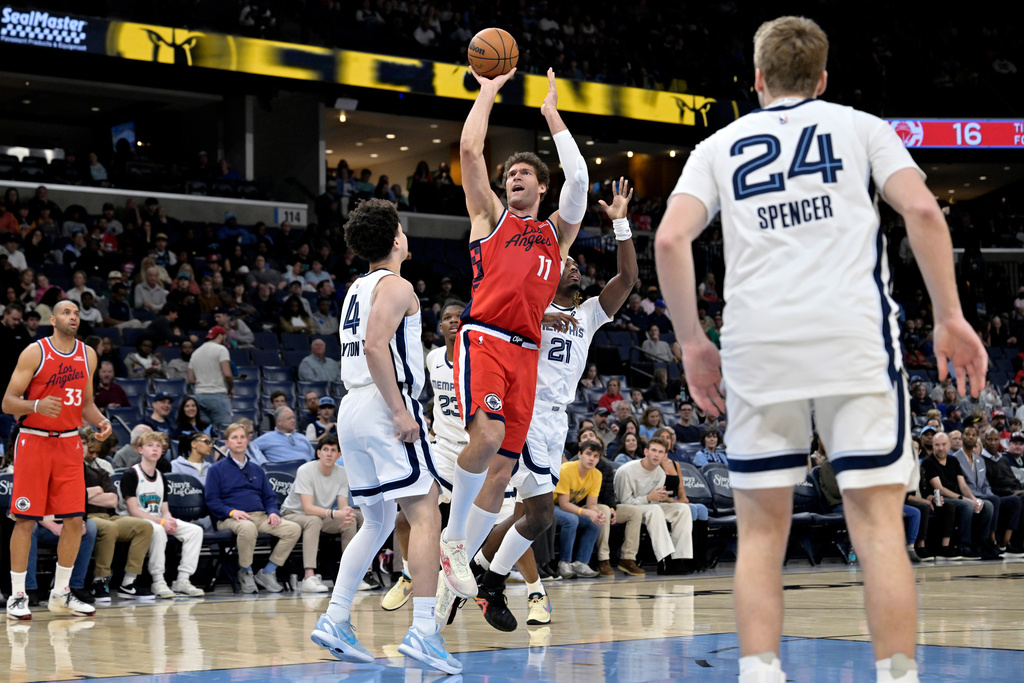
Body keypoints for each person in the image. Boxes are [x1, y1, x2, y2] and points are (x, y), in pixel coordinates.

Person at [655, 16, 987, 683]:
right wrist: (948, 314)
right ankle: (897, 674)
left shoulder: (720, 145)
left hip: (759, 346)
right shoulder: (862, 126)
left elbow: (668, 239)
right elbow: (923, 212)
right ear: (823, 77)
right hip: (853, 340)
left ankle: (760, 671)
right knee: (879, 529)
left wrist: (692, 340)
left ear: (756, 79)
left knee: (760, 535)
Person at [439, 65, 587, 609]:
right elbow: (470, 151)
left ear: (542, 186)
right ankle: (454, 543)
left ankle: (464, 568)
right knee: (484, 439)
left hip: (528, 353)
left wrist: (552, 117)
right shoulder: (490, 218)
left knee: (502, 468)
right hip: (485, 338)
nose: (515, 178)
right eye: (512, 174)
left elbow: (582, 183)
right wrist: (488, 91)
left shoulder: (557, 235)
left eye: (526, 173)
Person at [313, 199, 459, 674]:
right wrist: (400, 410)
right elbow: (377, 346)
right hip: (382, 402)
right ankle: (423, 630)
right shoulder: (397, 286)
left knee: (374, 521)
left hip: (352, 407)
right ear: (396, 239)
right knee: (425, 510)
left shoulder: (356, 288)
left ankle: (336, 616)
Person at [3, 300, 111, 619]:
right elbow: (8, 402)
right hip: (34, 441)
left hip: (68, 443)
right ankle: (18, 595)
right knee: (25, 520)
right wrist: (35, 406)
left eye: (76, 313)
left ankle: (61, 593)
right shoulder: (35, 352)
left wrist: (100, 422)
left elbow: (86, 403)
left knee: (75, 521)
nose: (73, 316)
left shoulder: (87, 354)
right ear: (52, 319)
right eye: (66, 312)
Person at [205, 422, 301, 593]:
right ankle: (245, 571)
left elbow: (269, 497)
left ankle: (267, 572)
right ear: (226, 443)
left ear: (247, 441)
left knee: (293, 529)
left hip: (260, 516)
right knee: (247, 528)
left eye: (242, 437)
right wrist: (232, 512)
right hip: (230, 519)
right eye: (234, 438)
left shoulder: (257, 469)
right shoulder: (216, 469)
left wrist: (272, 512)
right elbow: (212, 501)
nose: (239, 441)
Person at [118, 432, 206, 598]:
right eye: (150, 445)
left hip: (155, 518)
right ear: (140, 450)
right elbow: (133, 511)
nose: (155, 449)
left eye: (158, 446)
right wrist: (162, 521)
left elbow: (164, 508)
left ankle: (183, 580)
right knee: (158, 530)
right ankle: (158, 580)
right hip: (132, 520)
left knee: (195, 531)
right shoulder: (131, 475)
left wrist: (169, 519)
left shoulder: (161, 477)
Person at [280, 435, 360, 593]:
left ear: (339, 455)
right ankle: (308, 576)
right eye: (325, 450)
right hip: (293, 514)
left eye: (333, 450)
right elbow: (308, 508)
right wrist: (336, 513)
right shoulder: (306, 470)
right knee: (313, 520)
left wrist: (346, 514)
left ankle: (351, 577)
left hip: (321, 515)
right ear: (318, 453)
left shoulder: (342, 473)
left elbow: (342, 507)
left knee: (350, 521)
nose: (329, 454)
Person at [613, 437, 694, 573]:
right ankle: (664, 559)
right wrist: (648, 498)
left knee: (683, 509)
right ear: (646, 451)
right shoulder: (627, 471)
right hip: (626, 508)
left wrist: (658, 499)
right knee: (655, 509)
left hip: (649, 506)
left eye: (660, 452)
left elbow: (655, 501)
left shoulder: (660, 474)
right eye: (654, 450)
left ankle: (678, 558)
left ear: (664, 456)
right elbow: (624, 501)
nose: (656, 455)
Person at [923, 431, 993, 560]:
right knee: (966, 506)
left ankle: (981, 544)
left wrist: (974, 499)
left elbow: (963, 485)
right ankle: (963, 546)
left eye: (944, 444)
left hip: (958, 497)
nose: (940, 448)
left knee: (987, 505)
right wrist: (964, 499)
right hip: (942, 499)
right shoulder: (929, 462)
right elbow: (940, 488)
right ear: (932, 446)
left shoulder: (953, 460)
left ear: (949, 445)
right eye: (937, 445)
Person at [553, 440, 606, 579]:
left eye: (596, 456)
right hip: (549, 505)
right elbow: (564, 504)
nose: (591, 459)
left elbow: (592, 504)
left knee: (593, 521)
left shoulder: (597, 475)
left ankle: (581, 563)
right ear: (579, 454)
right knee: (571, 519)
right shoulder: (566, 470)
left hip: (566, 506)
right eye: (588, 454)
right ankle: (564, 563)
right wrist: (588, 512)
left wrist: (596, 513)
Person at [188, 326, 234, 431]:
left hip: (199, 395)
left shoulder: (195, 353)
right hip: (217, 395)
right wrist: (231, 388)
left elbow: (191, 379)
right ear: (220, 336)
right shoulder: (221, 349)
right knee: (224, 431)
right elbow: (227, 374)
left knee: (205, 433)